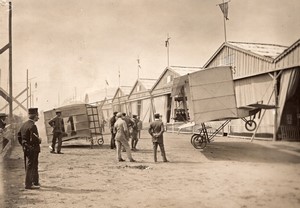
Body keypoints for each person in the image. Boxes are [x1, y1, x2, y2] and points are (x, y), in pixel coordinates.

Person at [17, 108, 42, 189]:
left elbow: (19, 136)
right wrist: (39, 140)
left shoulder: (24, 125)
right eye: (37, 116)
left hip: (26, 148)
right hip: (33, 148)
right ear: (34, 116)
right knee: (32, 165)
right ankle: (28, 184)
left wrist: (24, 145)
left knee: (29, 165)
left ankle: (35, 182)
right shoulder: (33, 126)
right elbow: (34, 139)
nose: (38, 117)